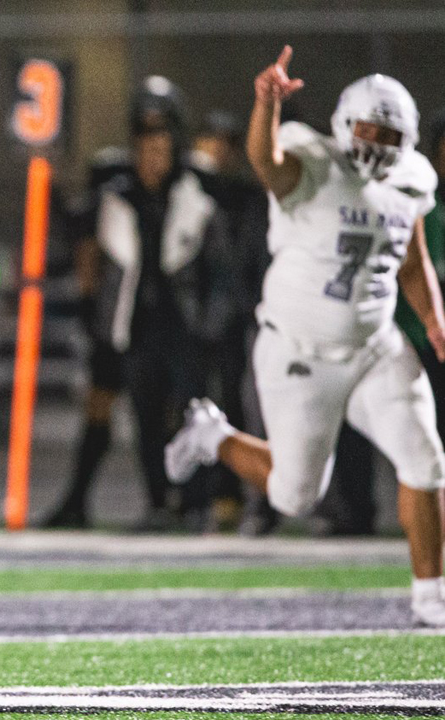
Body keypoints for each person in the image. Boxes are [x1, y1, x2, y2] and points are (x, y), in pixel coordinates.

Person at [166, 47, 445, 626]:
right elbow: (264, 161)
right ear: (342, 127)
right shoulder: (310, 162)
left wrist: (435, 321)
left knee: (425, 459)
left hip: (374, 347)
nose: (374, 142)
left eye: (388, 134)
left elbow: (411, 259)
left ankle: (431, 597)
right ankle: (213, 435)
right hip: (298, 351)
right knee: (296, 496)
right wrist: (265, 104)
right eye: (366, 128)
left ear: (408, 140)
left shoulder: (412, 181)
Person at [44, 77, 232, 531]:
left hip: (185, 324)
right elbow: (82, 242)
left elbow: (218, 267)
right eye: (144, 140)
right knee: (146, 418)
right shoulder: (115, 194)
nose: (152, 151)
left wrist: (212, 323)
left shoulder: (197, 194)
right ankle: (158, 501)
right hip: (135, 324)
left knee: (193, 417)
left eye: (161, 140)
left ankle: (199, 503)